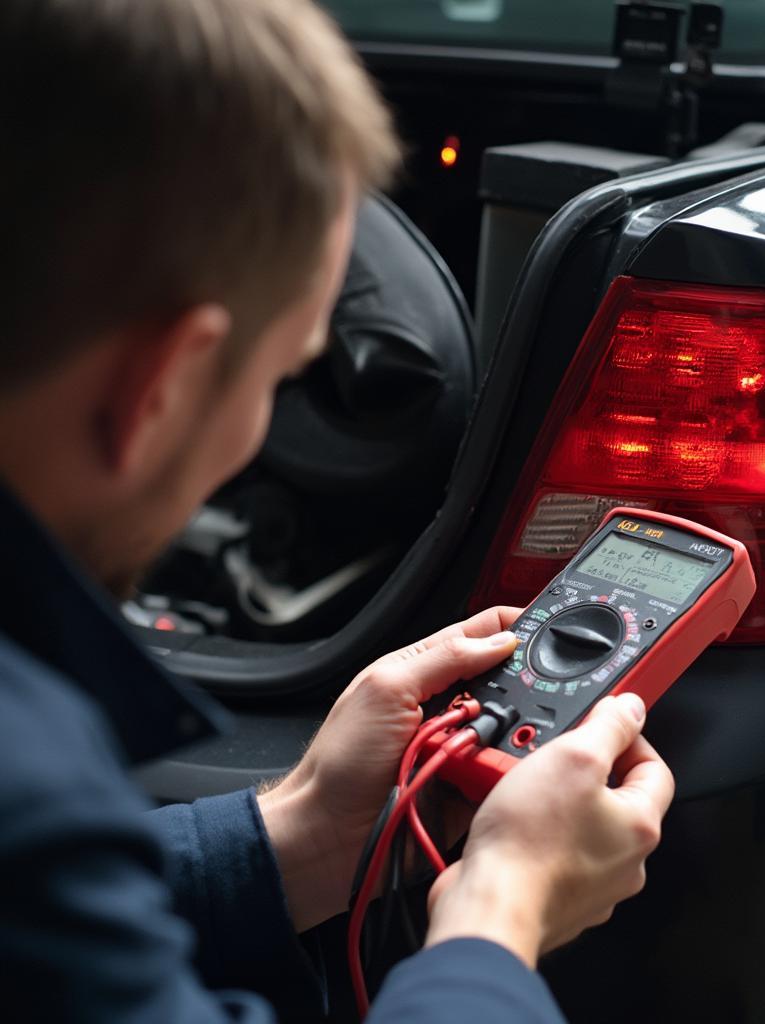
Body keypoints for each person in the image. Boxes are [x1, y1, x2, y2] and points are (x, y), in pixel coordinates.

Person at [0, 1, 675, 1021]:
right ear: (162, 388)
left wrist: (305, 831)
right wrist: (499, 914)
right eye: (277, 378)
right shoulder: (30, 772)